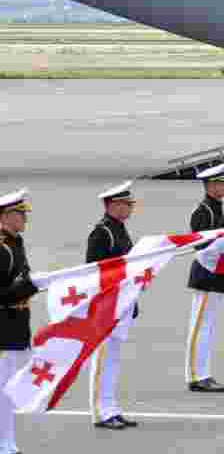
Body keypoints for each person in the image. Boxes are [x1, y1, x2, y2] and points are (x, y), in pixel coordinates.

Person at [87, 181, 140, 429]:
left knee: (113, 360)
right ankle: (101, 410)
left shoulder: (119, 229)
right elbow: (93, 273)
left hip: (122, 303)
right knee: (103, 359)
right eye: (125, 204)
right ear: (112, 205)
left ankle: (111, 407)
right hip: (108, 305)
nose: (129, 208)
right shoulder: (102, 232)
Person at [185, 163, 224, 393]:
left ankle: (202, 373)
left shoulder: (215, 208)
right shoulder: (203, 212)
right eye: (222, 183)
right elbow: (201, 246)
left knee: (207, 326)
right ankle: (197, 376)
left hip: (215, 273)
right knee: (200, 327)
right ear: (210, 185)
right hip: (206, 272)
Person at [0, 190, 40, 454]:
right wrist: (20, 290)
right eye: (19, 213)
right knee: (2, 393)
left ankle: (9, 446)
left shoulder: (16, 243)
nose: (24, 218)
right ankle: (3, 450)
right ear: (4, 217)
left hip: (16, 327)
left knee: (9, 392)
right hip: (2, 328)